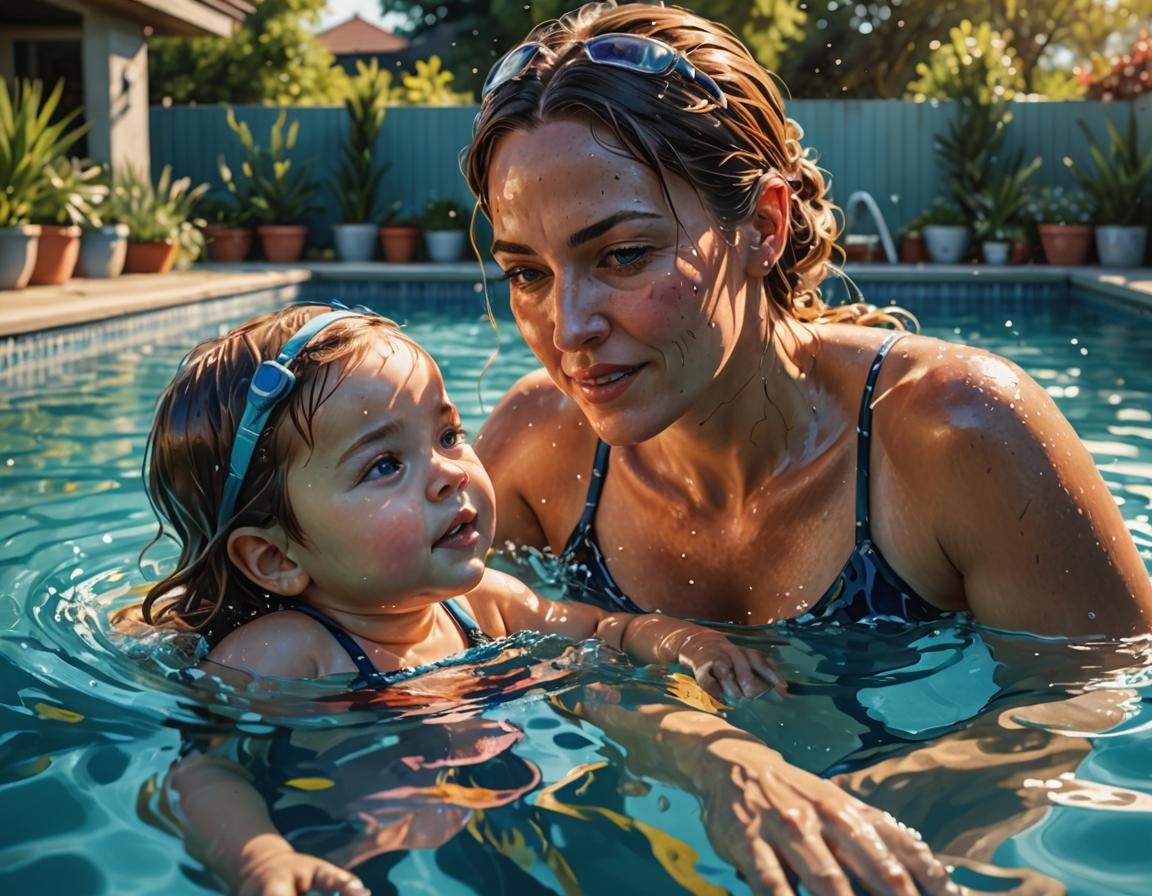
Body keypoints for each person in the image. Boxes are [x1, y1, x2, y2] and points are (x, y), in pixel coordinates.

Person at [462, 0, 1152, 890]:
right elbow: (416, 632)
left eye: (625, 254)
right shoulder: (536, 449)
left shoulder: (955, 433)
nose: (568, 326)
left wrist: (846, 811)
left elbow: (1103, 695)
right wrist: (714, 757)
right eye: (526, 272)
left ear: (764, 226)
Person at [138, 302, 812, 896]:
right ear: (278, 557)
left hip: (501, 823)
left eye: (448, 434)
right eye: (384, 465)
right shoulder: (286, 651)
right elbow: (206, 771)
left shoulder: (487, 603)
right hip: (360, 863)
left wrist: (672, 638)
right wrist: (261, 861)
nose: (448, 475)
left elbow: (602, 630)